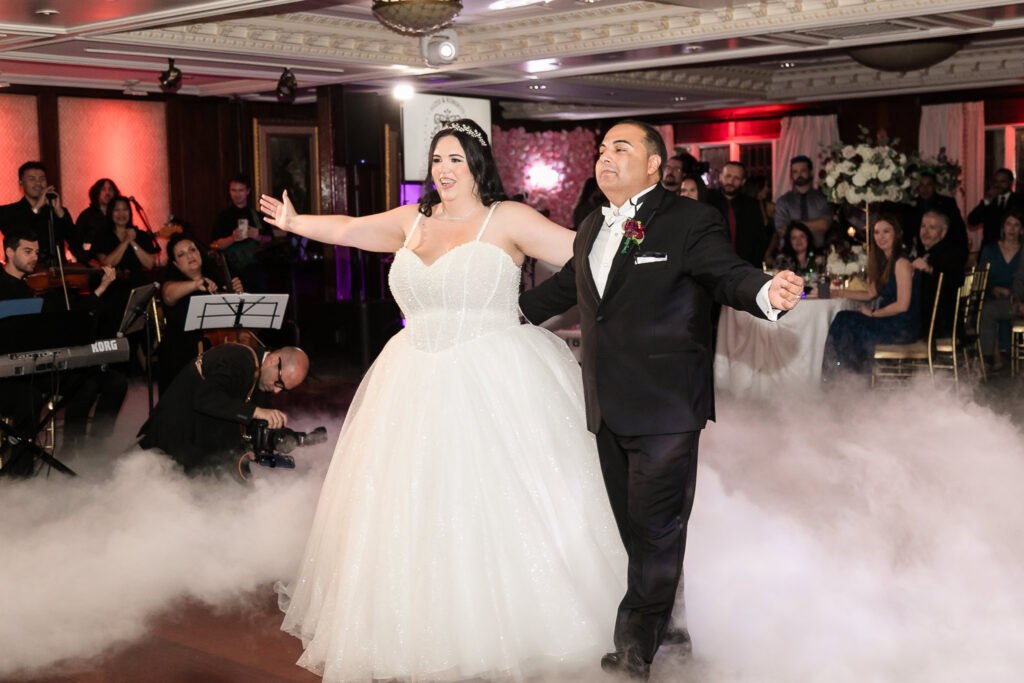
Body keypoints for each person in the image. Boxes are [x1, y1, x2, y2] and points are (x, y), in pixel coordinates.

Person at [260, 118, 629, 682]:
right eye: (437, 160)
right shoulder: (413, 220)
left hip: (497, 375)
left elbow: (586, 253)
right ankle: (417, 624)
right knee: (409, 504)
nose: (444, 170)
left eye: (455, 159)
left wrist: (638, 233)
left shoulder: (506, 219)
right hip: (410, 378)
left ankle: (519, 623)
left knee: (499, 501)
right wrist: (295, 221)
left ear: (477, 165)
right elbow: (350, 228)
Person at [519, 120, 804, 679]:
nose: (606, 158)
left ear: (654, 164)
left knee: (654, 529)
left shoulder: (689, 220)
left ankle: (633, 650)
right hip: (607, 405)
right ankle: (672, 632)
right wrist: (498, 315)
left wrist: (766, 290)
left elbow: (726, 275)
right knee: (640, 530)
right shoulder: (592, 226)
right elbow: (563, 294)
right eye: (601, 150)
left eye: (620, 149)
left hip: (667, 405)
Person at [0, 227, 126, 456]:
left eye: (37, 252)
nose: (35, 258)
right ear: (9, 252)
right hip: (9, 374)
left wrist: (101, 288)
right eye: (28, 251)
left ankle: (83, 448)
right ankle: (20, 467)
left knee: (102, 382)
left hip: (38, 368)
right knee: (28, 399)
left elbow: (72, 322)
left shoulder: (37, 289)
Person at [139, 343, 307, 473]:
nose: (277, 391)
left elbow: (249, 419)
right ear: (273, 360)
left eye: (284, 390)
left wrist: (278, 437)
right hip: (173, 438)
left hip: (199, 440)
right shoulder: (239, 359)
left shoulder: (263, 375)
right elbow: (204, 399)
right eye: (279, 383)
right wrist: (257, 412)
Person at [823, 215, 920, 379]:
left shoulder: (901, 262)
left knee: (848, 323)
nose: (880, 237)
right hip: (891, 321)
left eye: (886, 232)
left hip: (902, 325)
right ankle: (844, 377)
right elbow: (870, 293)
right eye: (876, 233)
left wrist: (874, 313)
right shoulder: (885, 261)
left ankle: (848, 378)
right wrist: (840, 293)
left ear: (896, 234)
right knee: (843, 318)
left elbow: (902, 305)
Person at [158, 233, 243, 394]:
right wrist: (196, 284)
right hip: (181, 354)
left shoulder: (217, 278)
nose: (190, 255)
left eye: (192, 250)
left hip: (215, 350)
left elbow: (232, 317)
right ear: (175, 264)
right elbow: (168, 294)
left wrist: (236, 294)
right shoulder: (172, 283)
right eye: (182, 254)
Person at [0, 161, 87, 265]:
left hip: (59, 273)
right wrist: (36, 208)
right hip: (28, 276)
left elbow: (77, 244)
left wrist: (60, 213)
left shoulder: (56, 210)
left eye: (42, 179)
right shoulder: (7, 211)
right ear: (21, 183)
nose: (38, 183)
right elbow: (17, 235)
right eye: (32, 179)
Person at [211, 174, 281, 292]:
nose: (237, 194)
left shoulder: (257, 216)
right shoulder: (222, 217)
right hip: (232, 273)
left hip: (256, 274)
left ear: (248, 191)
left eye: (241, 190)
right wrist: (232, 238)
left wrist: (258, 236)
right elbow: (216, 245)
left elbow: (270, 241)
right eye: (233, 190)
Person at [912, 210, 967, 338]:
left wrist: (930, 270)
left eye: (932, 228)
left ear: (943, 233)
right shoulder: (922, 252)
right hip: (927, 318)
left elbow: (955, 281)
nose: (925, 232)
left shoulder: (951, 253)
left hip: (940, 321)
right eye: (923, 226)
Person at [978, 209, 1022, 367]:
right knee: (983, 308)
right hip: (990, 296)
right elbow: (981, 279)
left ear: (1022, 229)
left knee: (992, 310)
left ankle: (992, 356)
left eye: (1016, 225)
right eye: (1009, 224)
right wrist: (993, 289)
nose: (1012, 229)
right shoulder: (990, 250)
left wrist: (1013, 294)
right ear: (1003, 227)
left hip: (1015, 307)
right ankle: (993, 355)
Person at [707, 161, 768, 267]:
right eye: (728, 176)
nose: (731, 181)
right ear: (720, 177)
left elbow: (760, 240)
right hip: (713, 266)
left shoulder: (752, 205)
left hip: (745, 269)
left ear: (743, 181)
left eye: (736, 178)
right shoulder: (708, 202)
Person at [774, 155, 831, 249]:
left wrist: (794, 225)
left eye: (803, 171)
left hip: (818, 252)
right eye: (795, 172)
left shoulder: (822, 198)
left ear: (811, 172)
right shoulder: (783, 202)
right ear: (791, 175)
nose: (799, 175)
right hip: (790, 255)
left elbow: (825, 224)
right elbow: (782, 230)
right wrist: (814, 225)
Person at [905, 170, 966, 255]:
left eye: (929, 184)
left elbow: (959, 232)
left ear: (935, 186)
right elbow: (908, 234)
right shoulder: (912, 206)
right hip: (921, 255)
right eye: (922, 185)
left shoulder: (947, 203)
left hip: (945, 254)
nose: (925, 188)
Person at [967, 168, 1022, 247]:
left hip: (1013, 249)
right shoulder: (989, 202)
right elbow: (972, 221)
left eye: (1002, 181)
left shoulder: (1019, 200)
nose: (998, 185)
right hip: (990, 250)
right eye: (996, 181)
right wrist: (986, 201)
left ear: (1011, 182)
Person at [74, 178, 120, 249]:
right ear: (97, 193)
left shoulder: (119, 214)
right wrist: (90, 251)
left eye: (110, 189)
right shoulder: (86, 215)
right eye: (103, 189)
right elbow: (76, 242)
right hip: (92, 258)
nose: (107, 193)